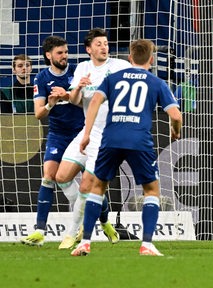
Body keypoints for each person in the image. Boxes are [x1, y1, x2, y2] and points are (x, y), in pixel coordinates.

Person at [71, 39, 182, 256]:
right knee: (151, 190)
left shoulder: (112, 78)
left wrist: (86, 135)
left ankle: (84, 242)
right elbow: (176, 115)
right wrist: (175, 131)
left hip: (111, 138)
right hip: (138, 141)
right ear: (151, 59)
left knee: (97, 188)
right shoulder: (157, 83)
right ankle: (147, 244)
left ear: (130, 58)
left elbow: (94, 102)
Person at [54, 28, 132, 249]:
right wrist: (78, 87)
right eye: (98, 44)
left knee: (87, 185)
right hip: (88, 132)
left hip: (108, 135)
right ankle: (102, 218)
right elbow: (74, 100)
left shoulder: (119, 66)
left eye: (106, 43)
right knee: (61, 176)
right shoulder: (82, 68)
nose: (104, 47)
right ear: (89, 49)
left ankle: (72, 234)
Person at [20, 36, 85, 246]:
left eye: (66, 52)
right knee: (49, 175)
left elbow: (88, 101)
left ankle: (102, 223)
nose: (64, 56)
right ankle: (39, 231)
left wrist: (66, 95)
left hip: (81, 132)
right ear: (49, 55)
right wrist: (51, 103)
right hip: (58, 133)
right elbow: (38, 114)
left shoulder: (78, 72)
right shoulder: (41, 78)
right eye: (60, 52)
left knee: (91, 179)